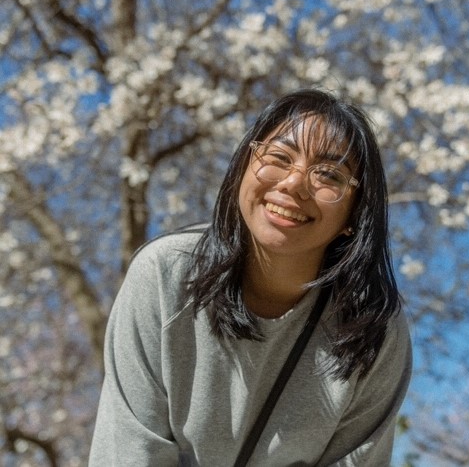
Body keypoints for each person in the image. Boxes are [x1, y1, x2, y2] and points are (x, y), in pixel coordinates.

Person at [89, 88, 412, 466]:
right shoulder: (165, 276)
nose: (294, 183)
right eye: (278, 156)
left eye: (328, 174)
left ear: (354, 216)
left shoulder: (372, 332)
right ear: (243, 167)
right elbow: (129, 453)